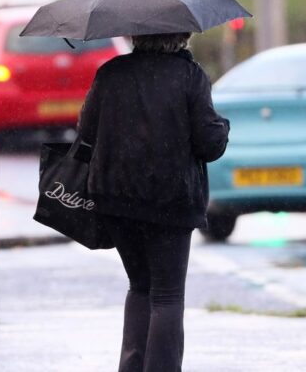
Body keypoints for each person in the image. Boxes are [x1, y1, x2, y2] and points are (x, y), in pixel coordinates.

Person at [77, 32, 230, 372]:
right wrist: (222, 128)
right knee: (167, 295)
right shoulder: (190, 77)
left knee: (140, 287)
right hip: (170, 200)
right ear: (181, 35)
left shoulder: (111, 72)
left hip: (115, 199)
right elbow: (210, 144)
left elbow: (86, 131)